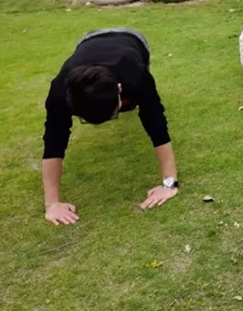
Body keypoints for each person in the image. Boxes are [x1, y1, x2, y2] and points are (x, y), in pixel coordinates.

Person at [42, 28, 178, 225]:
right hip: (87, 41)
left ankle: (128, 101)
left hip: (132, 39)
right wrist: (52, 204)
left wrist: (169, 184)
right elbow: (54, 140)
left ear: (119, 89)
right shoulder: (60, 90)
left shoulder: (135, 73)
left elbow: (157, 124)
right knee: (59, 124)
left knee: (141, 100)